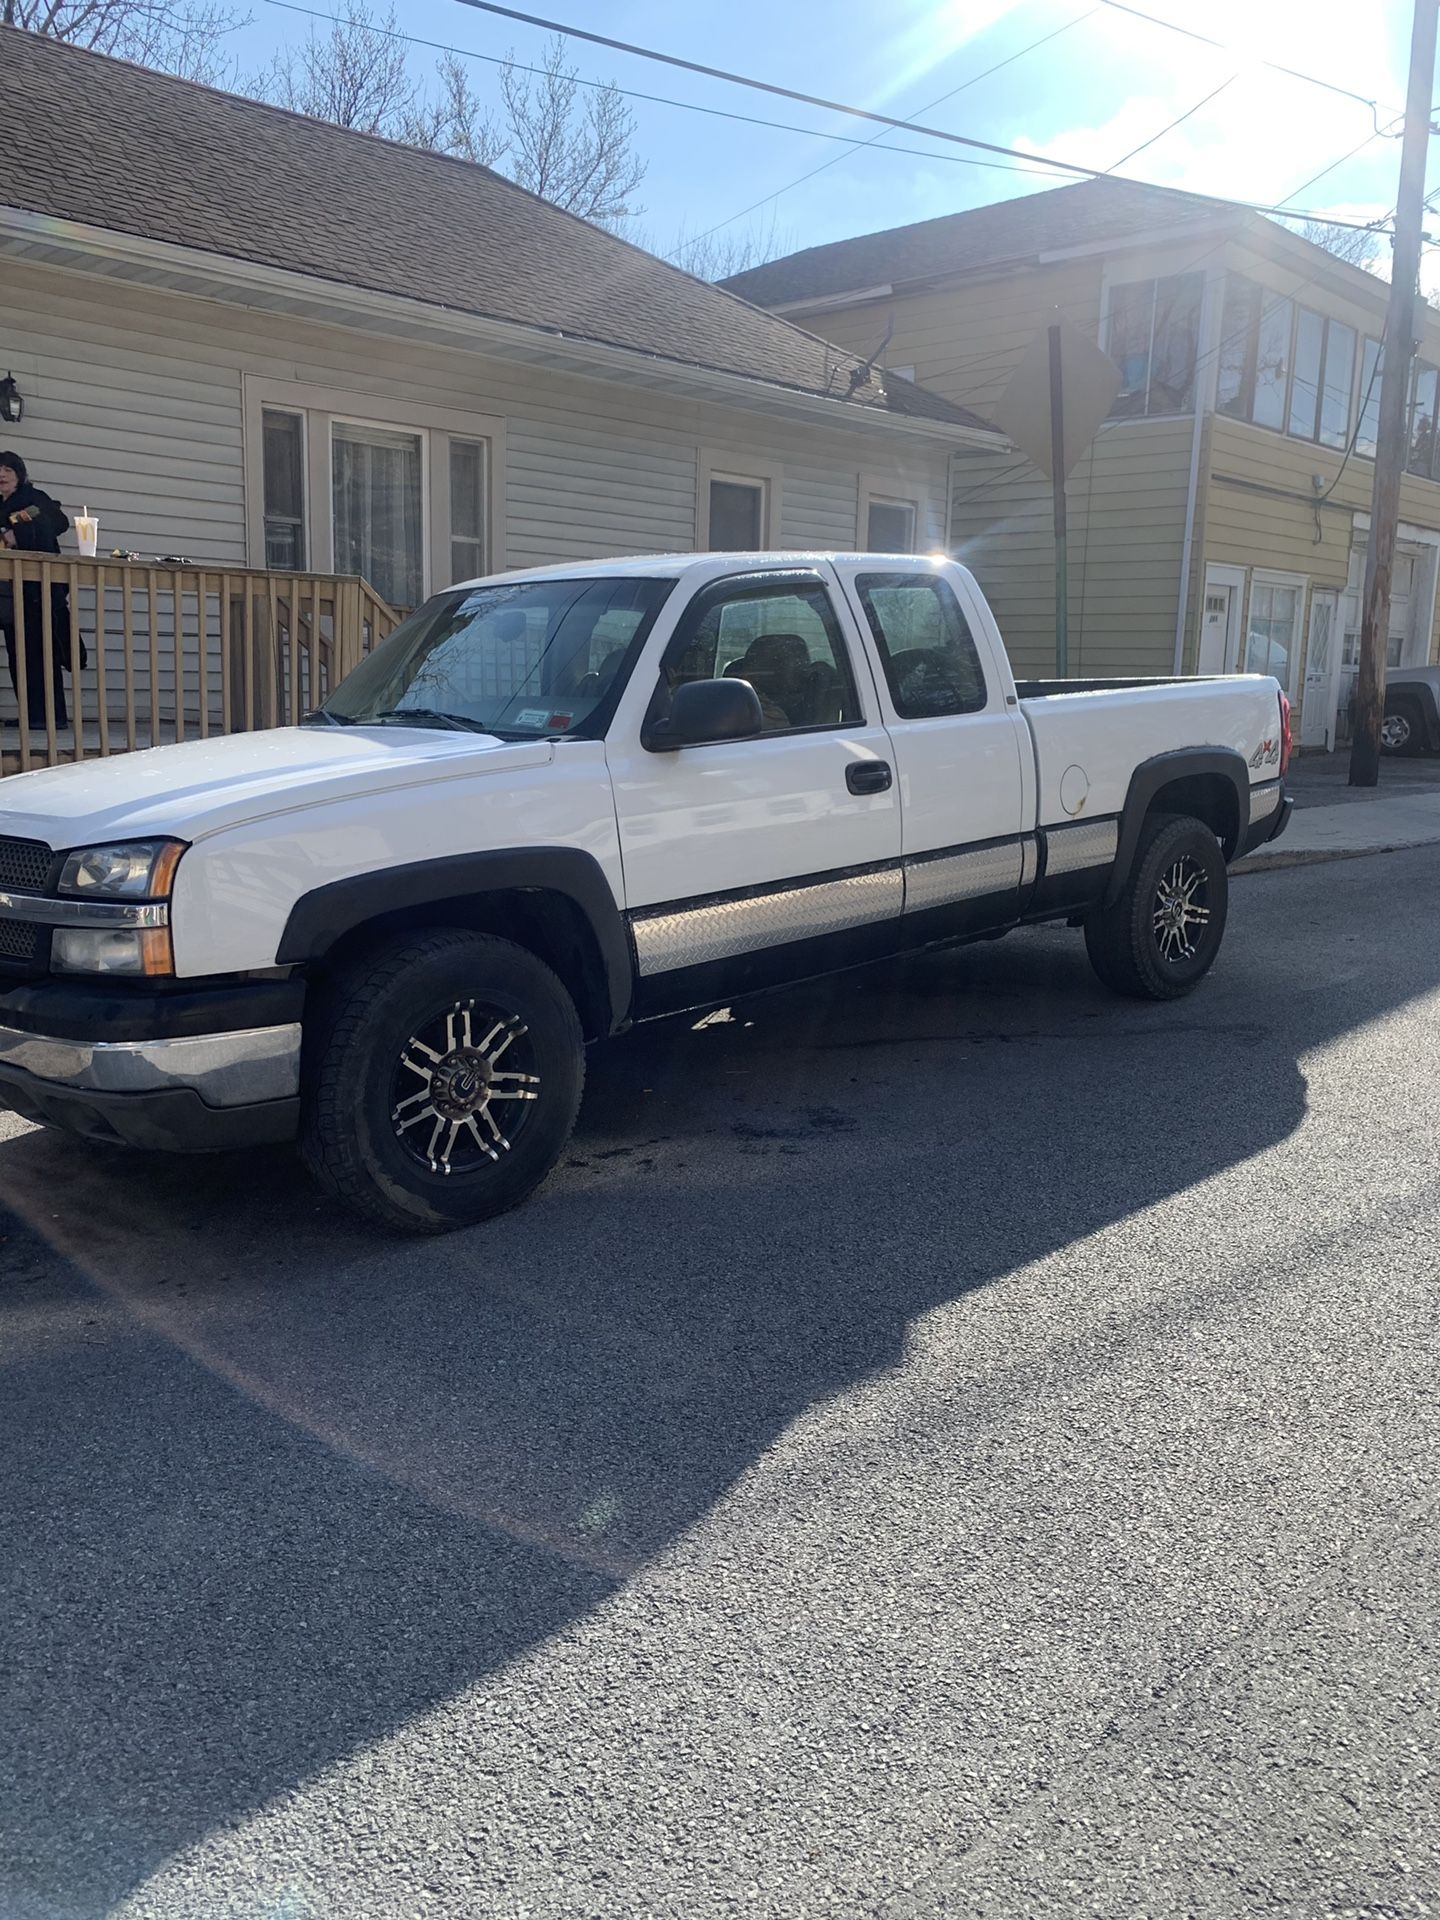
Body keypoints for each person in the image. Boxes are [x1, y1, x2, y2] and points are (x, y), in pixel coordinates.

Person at [0, 450, 74, 729]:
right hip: (10, 593)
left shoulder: (33, 498)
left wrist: (16, 533)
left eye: (8, 469)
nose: (2, 475)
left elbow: (58, 521)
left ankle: (51, 718)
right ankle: (32, 715)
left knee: (41, 652)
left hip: (37, 591)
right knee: (18, 654)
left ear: (19, 474)